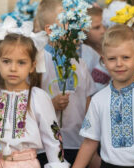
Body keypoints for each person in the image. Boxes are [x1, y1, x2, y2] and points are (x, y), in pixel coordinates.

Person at [72, 24, 134, 168]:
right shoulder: (98, 100)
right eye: (112, 59)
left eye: (126, 57)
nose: (119, 64)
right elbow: (90, 142)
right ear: (104, 61)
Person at [0, 17, 69, 168]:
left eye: (21, 62)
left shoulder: (38, 98)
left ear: (32, 66)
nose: (13, 68)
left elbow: (53, 141)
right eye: (6, 61)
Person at [35, 0, 97, 166]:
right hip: (46, 146)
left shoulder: (80, 63)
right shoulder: (38, 62)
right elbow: (29, 99)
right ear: (50, 30)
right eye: (69, 23)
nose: (76, 28)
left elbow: (89, 98)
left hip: (77, 142)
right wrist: (51, 103)